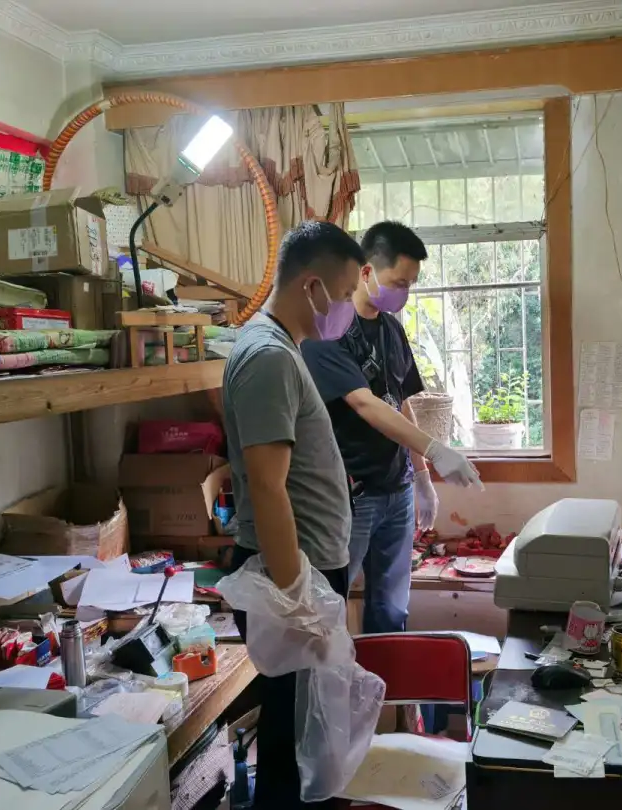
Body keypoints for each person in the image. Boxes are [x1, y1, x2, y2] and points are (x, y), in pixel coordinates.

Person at [221, 219, 363, 810]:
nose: (347, 308)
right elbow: (267, 486)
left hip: (306, 572)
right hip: (293, 577)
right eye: (345, 293)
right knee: (291, 751)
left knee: (305, 742)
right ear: (311, 287)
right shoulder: (269, 357)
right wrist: (298, 600)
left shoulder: (283, 349)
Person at [301, 220, 483, 636]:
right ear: (366, 271)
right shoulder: (328, 331)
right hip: (351, 495)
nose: (405, 293)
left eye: (411, 284)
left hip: (396, 491)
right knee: (329, 604)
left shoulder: (391, 329)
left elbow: (400, 402)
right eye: (399, 282)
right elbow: (364, 403)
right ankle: (333, 677)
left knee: (392, 607)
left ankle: (389, 678)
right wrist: (436, 449)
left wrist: (421, 475)